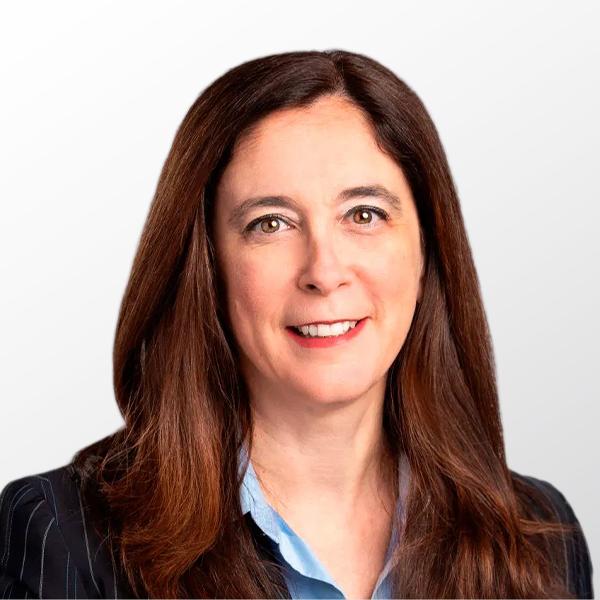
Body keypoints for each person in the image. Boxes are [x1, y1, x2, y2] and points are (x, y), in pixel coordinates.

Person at [0, 49, 593, 599]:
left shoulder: (539, 537)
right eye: (271, 223)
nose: (324, 272)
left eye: (364, 214)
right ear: (206, 263)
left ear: (427, 252)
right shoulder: (65, 538)